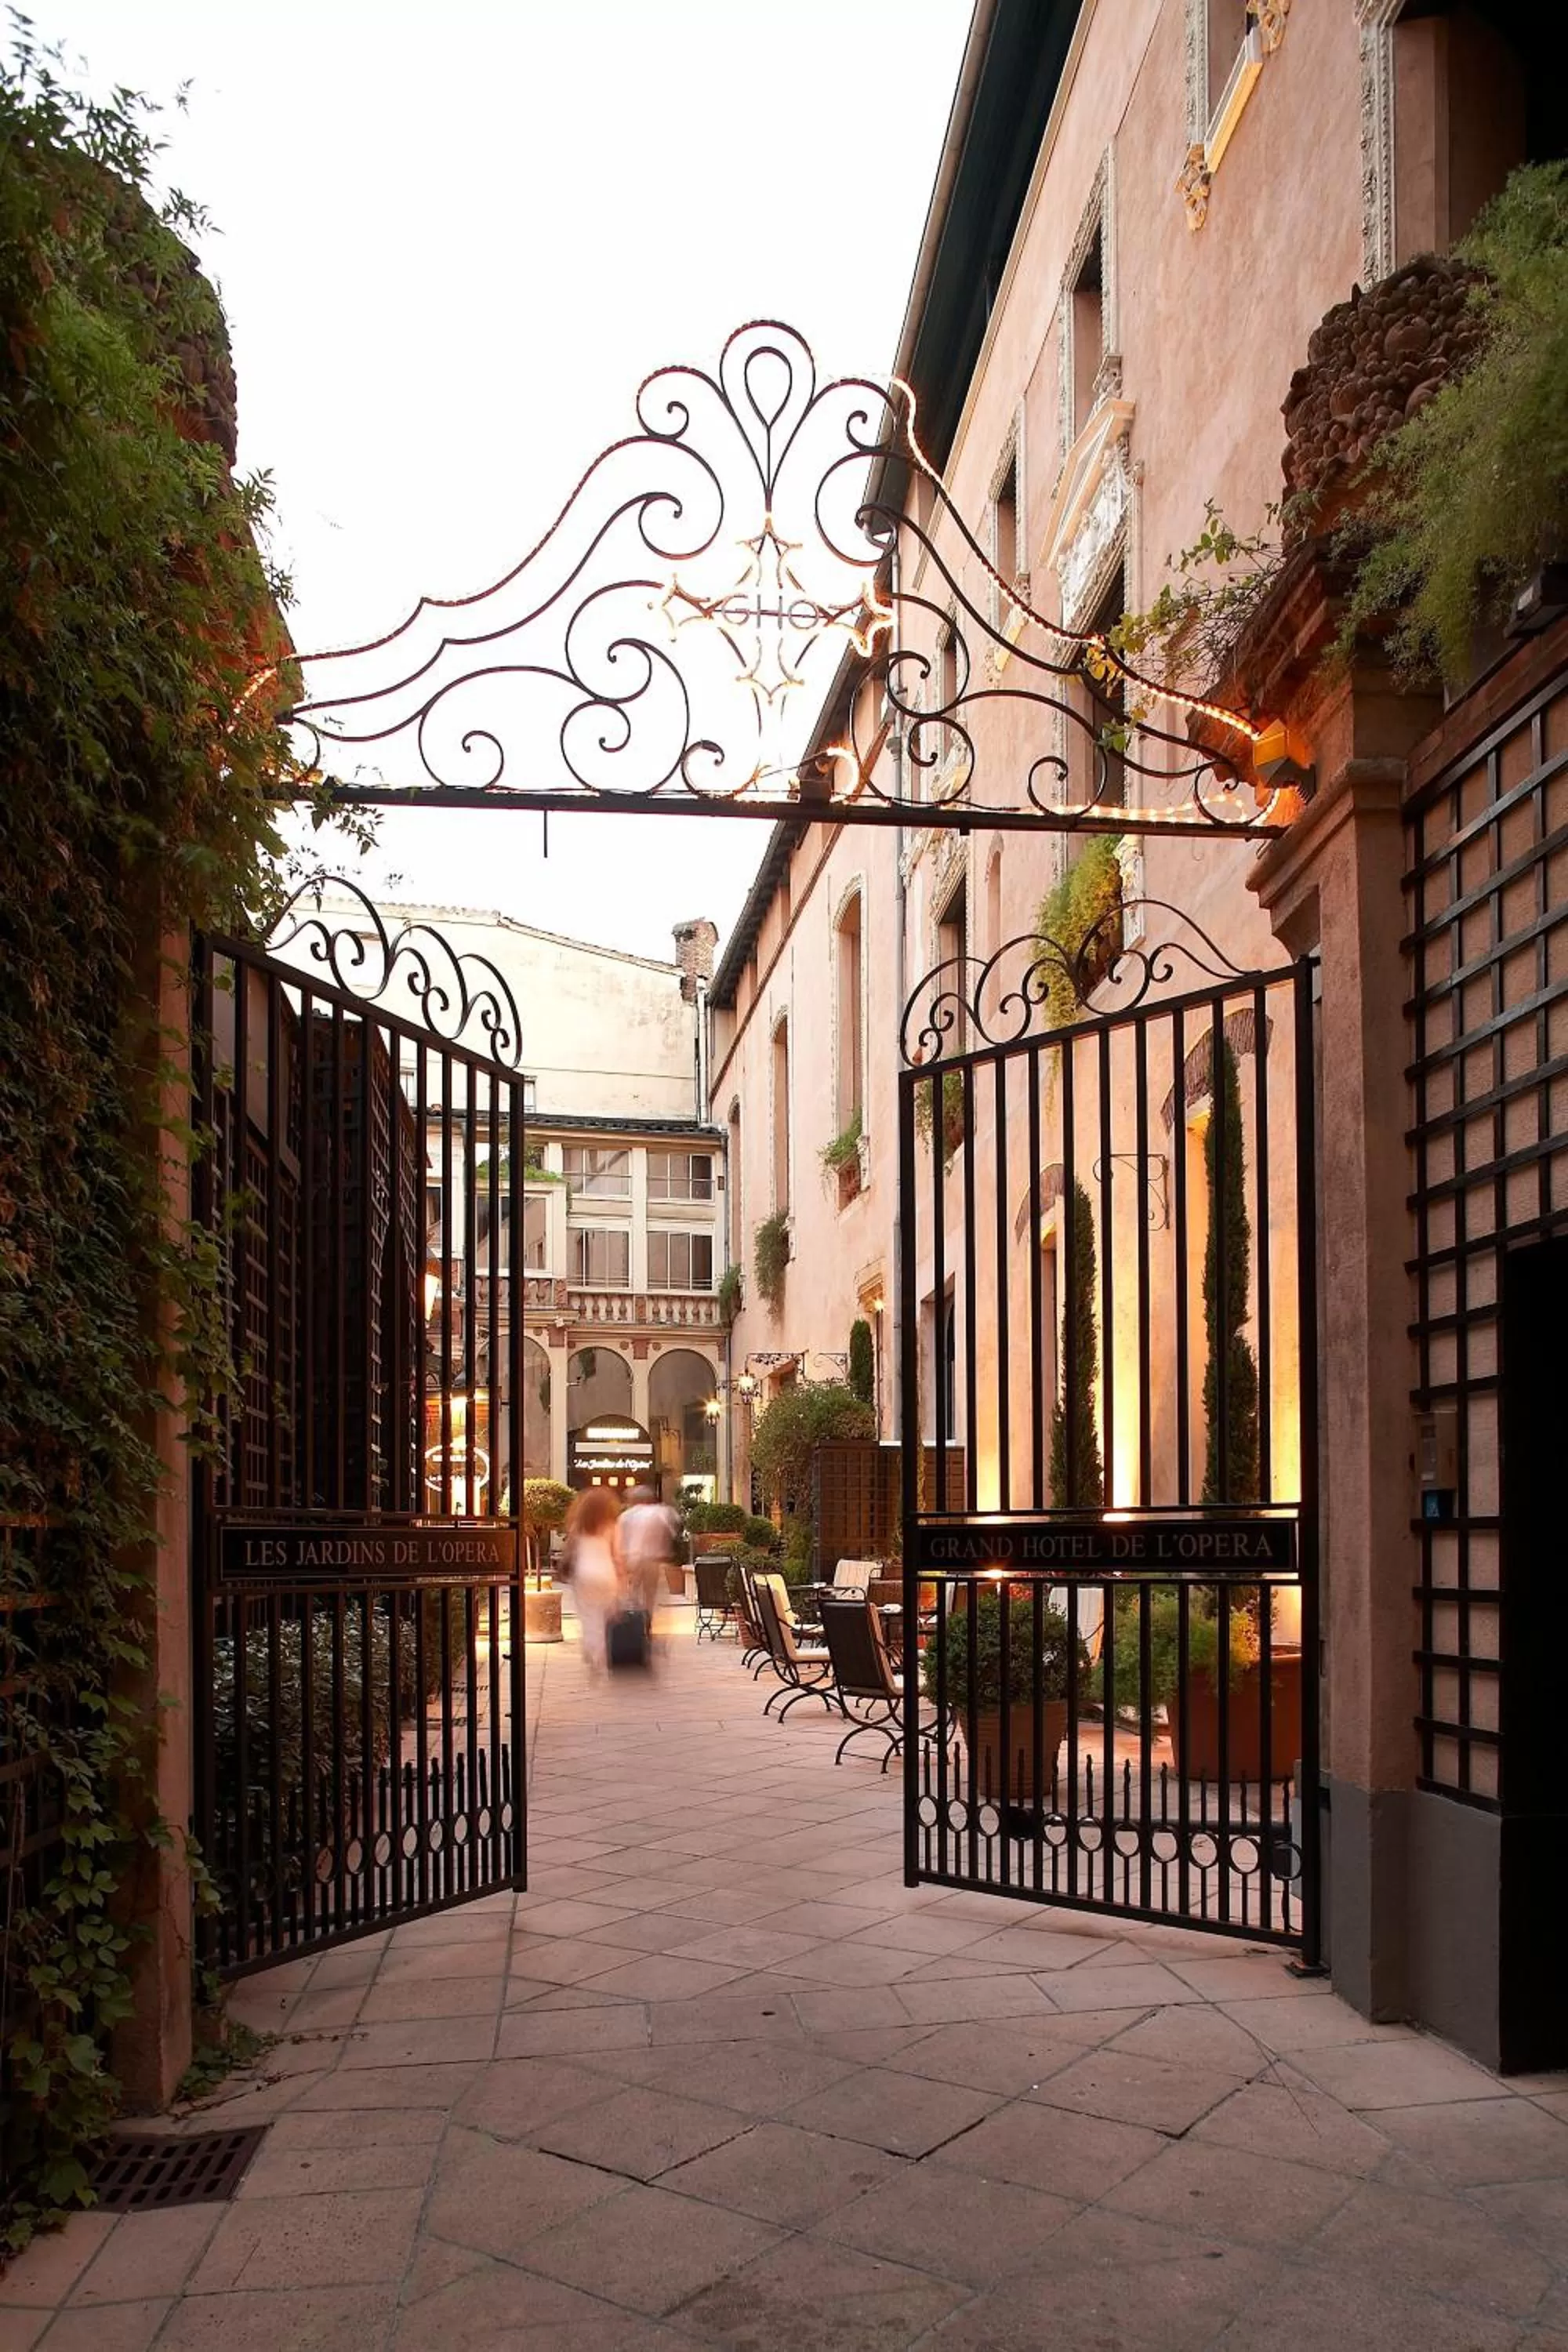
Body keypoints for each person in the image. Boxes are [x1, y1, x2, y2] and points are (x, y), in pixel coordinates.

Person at [564, 1485, 622, 1671]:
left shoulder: (578, 1527)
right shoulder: (612, 1526)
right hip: (606, 1574)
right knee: (606, 1615)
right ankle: (600, 1651)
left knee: (588, 1616)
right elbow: (617, 1556)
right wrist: (623, 1581)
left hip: (584, 1574)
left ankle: (593, 1649)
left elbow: (570, 1551)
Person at [619, 1483, 681, 1631]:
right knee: (650, 1594)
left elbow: (620, 1539)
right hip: (653, 1559)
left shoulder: (626, 1516)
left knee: (632, 1592)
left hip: (631, 1559)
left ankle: (633, 1621)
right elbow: (674, 1526)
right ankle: (647, 1620)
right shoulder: (659, 1512)